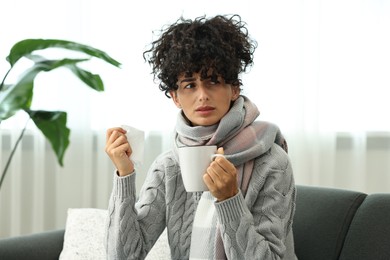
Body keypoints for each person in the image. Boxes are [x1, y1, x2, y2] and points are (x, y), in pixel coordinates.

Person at [104, 14, 297, 260]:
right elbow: (123, 256)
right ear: (175, 97)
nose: (203, 95)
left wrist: (229, 200)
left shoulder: (272, 162)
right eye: (189, 85)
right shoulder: (169, 166)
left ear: (234, 88)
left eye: (213, 81)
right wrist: (124, 175)